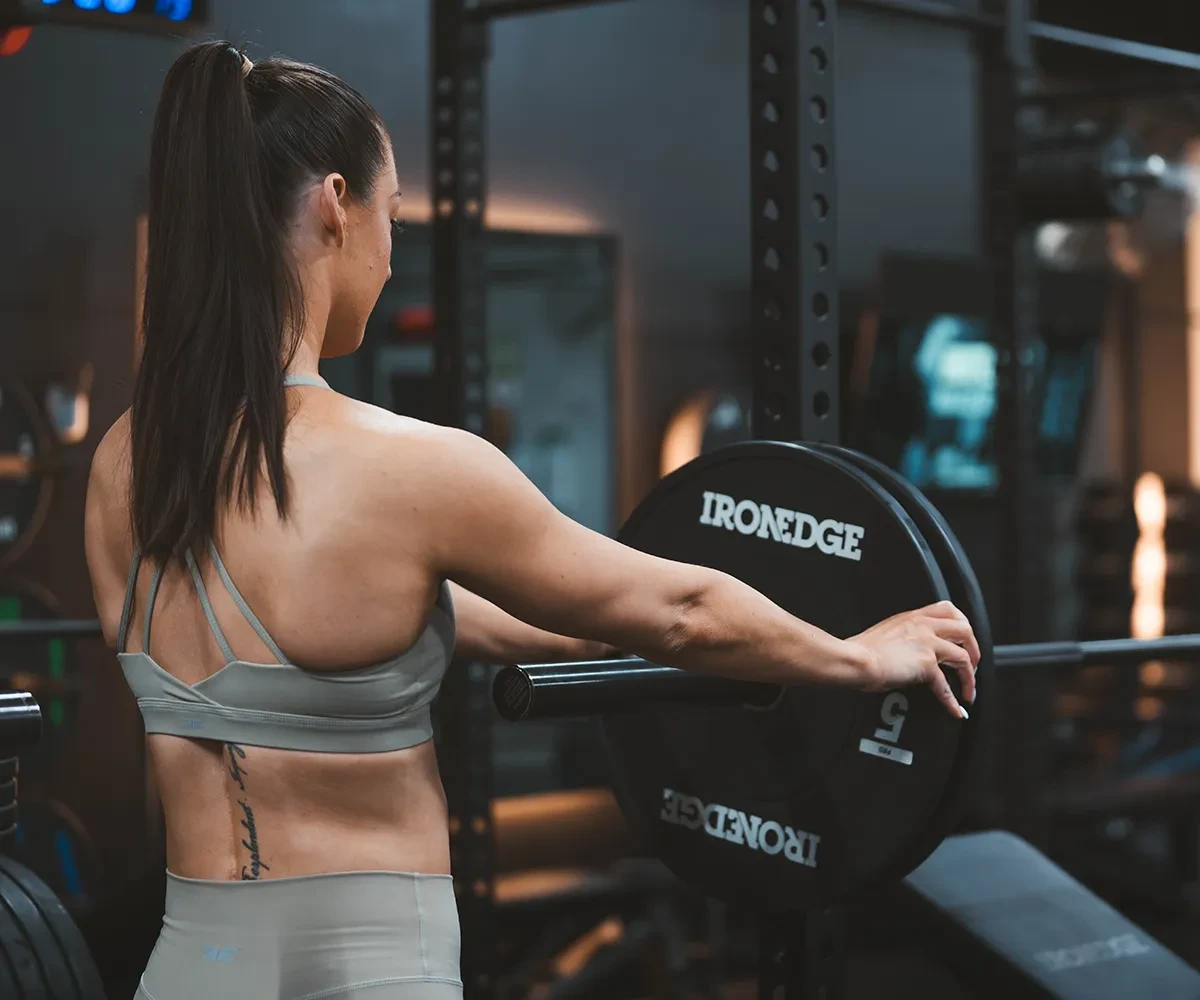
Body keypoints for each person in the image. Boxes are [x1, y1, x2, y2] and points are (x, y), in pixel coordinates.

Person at [84, 41, 980, 1000]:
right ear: (331, 206)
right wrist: (858, 655)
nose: (391, 259)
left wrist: (665, 631)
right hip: (371, 966)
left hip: (196, 960)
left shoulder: (125, 464)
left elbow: (339, 631)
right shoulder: (410, 468)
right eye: (390, 220)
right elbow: (676, 607)